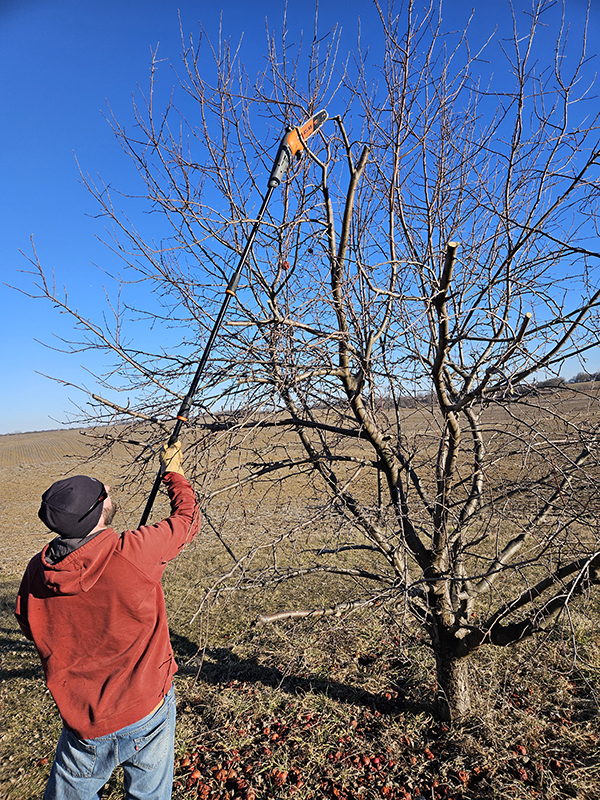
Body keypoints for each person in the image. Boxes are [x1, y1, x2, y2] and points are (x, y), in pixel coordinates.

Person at [15, 440, 199, 800]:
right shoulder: (135, 551)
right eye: (103, 494)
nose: (110, 490)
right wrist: (174, 473)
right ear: (96, 514)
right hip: (147, 708)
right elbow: (186, 520)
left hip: (84, 722)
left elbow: (29, 625)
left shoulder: (37, 572)